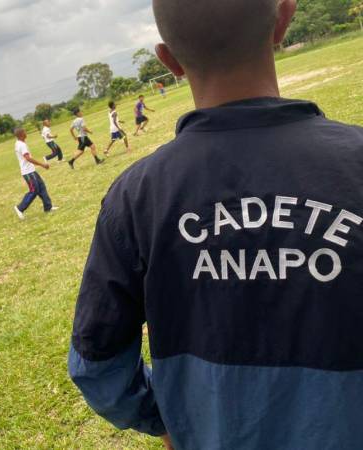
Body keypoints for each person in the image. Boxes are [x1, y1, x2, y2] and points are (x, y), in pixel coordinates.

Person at [68, 0, 363, 449]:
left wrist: (169, 421)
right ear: (283, 19)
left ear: (168, 60)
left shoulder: (135, 196)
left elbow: (96, 361)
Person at [13, 127, 58, 220]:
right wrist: (42, 164)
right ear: (21, 134)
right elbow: (28, 158)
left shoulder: (18, 143)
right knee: (34, 190)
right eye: (25, 131)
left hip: (31, 170)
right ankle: (20, 208)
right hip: (28, 172)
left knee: (41, 187)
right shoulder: (22, 145)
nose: (26, 133)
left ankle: (48, 207)